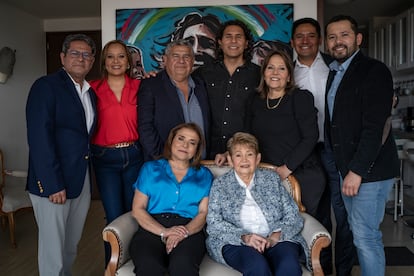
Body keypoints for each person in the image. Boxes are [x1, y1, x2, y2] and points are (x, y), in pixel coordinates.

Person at [324, 15, 399, 276]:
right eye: (332, 37)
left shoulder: (374, 71)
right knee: (360, 233)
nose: (338, 41)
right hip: (349, 168)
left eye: (344, 35)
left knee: (366, 237)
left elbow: (375, 127)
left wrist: (356, 171)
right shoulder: (335, 72)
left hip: (369, 171)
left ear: (358, 39)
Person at [25, 34, 97, 275]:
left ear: (92, 60)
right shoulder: (46, 86)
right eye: (75, 53)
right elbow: (39, 138)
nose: (81, 58)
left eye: (86, 54)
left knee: (70, 246)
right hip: (53, 183)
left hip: (79, 180)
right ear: (63, 57)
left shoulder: (89, 92)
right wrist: (52, 183)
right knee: (52, 250)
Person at [291, 17, 355, 275]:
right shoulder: (284, 70)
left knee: (344, 214)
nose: (305, 41)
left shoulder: (336, 66)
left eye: (311, 36)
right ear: (292, 41)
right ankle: (320, 267)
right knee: (313, 213)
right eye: (299, 36)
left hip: (333, 148)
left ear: (319, 40)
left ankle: (344, 269)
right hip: (301, 152)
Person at [206, 132, 308, 276]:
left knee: (289, 266)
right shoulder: (220, 185)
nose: (244, 160)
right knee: (257, 267)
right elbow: (214, 222)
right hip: (236, 242)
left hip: (276, 239)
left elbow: (292, 213)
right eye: (238, 155)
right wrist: (245, 237)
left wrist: (275, 236)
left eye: (249, 154)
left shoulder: (271, 179)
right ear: (230, 159)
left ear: (258, 158)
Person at [244, 49, 326, 218]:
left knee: (303, 230)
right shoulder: (255, 100)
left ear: (289, 76)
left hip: (302, 174)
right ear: (264, 73)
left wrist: (287, 168)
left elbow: (310, 137)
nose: (275, 73)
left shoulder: (301, 98)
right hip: (267, 176)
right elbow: (247, 137)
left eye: (281, 68)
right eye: (270, 68)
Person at [129, 123, 213, 276]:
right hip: (152, 227)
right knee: (149, 266)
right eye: (181, 139)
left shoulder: (205, 175)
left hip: (189, 229)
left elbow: (203, 213)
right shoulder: (150, 168)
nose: (185, 145)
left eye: (192, 142)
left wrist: (184, 232)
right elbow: (138, 209)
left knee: (183, 266)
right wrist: (164, 232)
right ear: (171, 141)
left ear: (197, 149)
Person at [89, 40, 144, 266]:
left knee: (136, 214)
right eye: (110, 57)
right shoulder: (92, 88)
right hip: (105, 158)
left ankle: (136, 264)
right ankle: (112, 267)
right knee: (113, 216)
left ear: (128, 61)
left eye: (121, 56)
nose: (116, 61)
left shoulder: (141, 86)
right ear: (104, 61)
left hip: (134, 155)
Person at [193, 20, 261, 158]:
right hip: (208, 151)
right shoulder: (203, 73)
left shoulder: (259, 75)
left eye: (239, 36)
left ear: (246, 43)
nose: (233, 41)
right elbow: (178, 85)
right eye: (228, 36)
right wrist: (152, 77)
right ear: (220, 42)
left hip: (244, 155)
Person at [138, 39, 210, 161]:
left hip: (200, 164)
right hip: (165, 164)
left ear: (192, 61)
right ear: (165, 60)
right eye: (175, 56)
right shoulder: (151, 85)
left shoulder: (201, 85)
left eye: (186, 57)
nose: (181, 61)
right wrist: (162, 158)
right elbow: (145, 127)